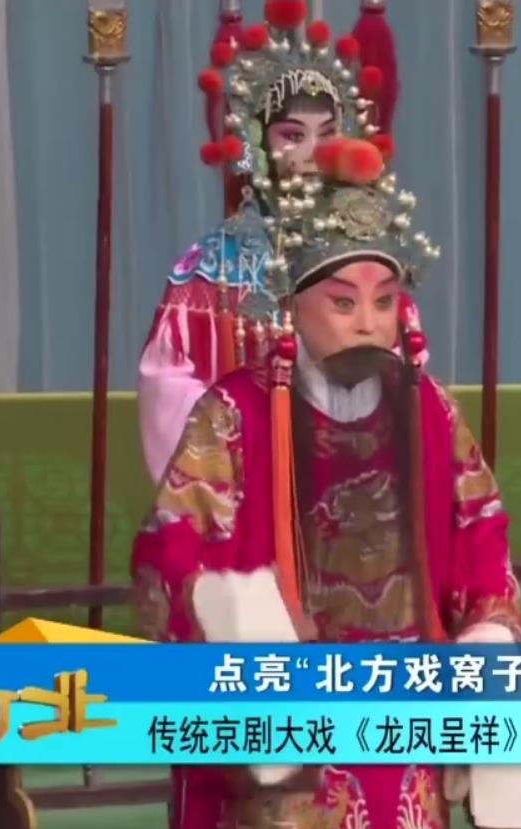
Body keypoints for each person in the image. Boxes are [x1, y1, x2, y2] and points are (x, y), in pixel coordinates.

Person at [131, 135, 521, 829]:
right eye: (343, 301)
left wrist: (487, 633)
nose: (368, 321)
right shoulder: (234, 414)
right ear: (294, 306)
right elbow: (173, 548)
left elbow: (480, 532)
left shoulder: (428, 411)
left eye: (384, 301)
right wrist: (246, 614)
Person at [136, 0, 418, 484]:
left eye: (327, 133)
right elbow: (170, 394)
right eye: (292, 135)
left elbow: (405, 370)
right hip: (243, 491)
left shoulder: (367, 255)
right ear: (257, 144)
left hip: (361, 490)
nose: (312, 153)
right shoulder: (212, 268)